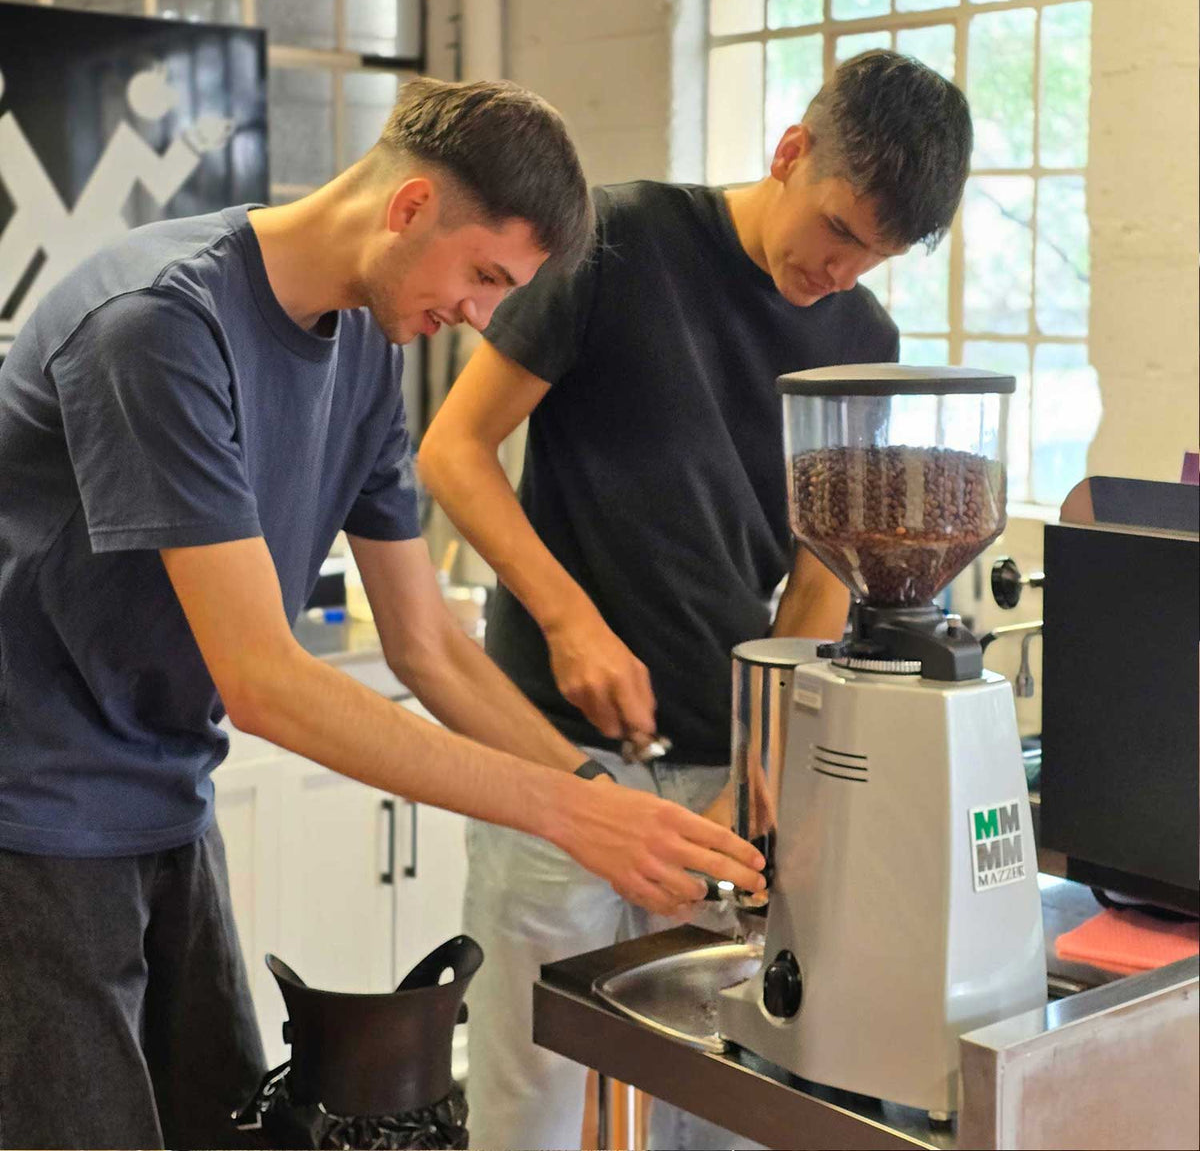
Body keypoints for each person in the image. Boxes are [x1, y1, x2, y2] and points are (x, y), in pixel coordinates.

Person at [0, 77, 766, 1151]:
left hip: (167, 793)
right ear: (409, 208)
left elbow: (430, 646)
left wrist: (594, 795)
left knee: (225, 1129)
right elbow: (262, 680)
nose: (482, 316)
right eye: (484, 274)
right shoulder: (157, 327)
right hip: (31, 812)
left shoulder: (363, 350)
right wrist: (563, 815)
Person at [419, 50, 974, 1151]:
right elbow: (453, 452)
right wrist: (571, 621)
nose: (845, 271)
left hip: (725, 784)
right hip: (555, 757)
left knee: (716, 1095)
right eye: (843, 232)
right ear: (790, 153)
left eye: (880, 257)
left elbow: (821, 571)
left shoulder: (864, 345)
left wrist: (767, 744)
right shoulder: (619, 243)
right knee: (528, 1088)